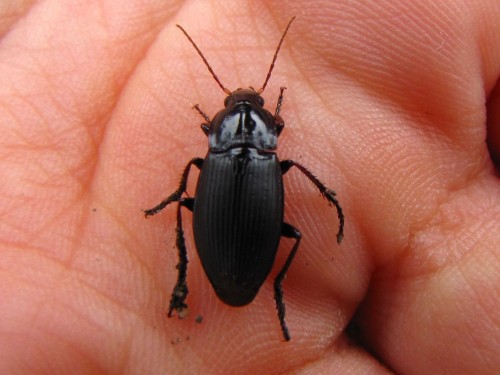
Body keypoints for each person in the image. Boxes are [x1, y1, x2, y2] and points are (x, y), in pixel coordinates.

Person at [0, 1, 498, 373]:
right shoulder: (268, 151)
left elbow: (208, 157)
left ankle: (196, 268)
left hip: (219, 228)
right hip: (252, 236)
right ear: (269, 130)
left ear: (216, 129)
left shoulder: (209, 152)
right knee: (294, 234)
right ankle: (259, 283)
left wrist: (178, 198)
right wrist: (330, 201)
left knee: (194, 193)